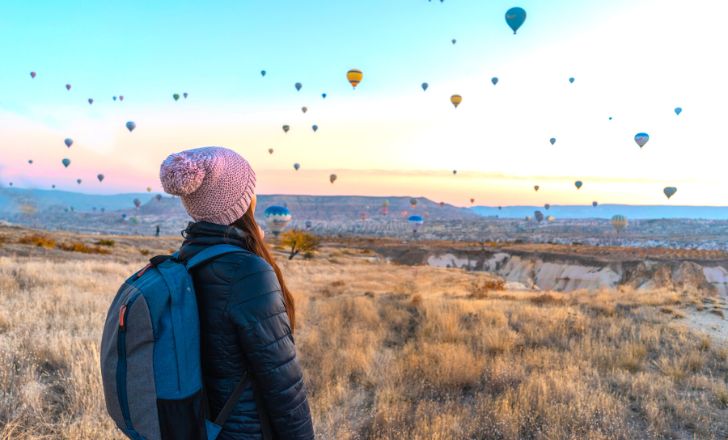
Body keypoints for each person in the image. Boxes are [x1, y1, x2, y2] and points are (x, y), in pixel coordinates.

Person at [160, 146, 314, 439]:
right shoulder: (248, 271)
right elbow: (282, 380)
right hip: (245, 430)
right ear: (242, 201)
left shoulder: (186, 259)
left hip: (201, 425)